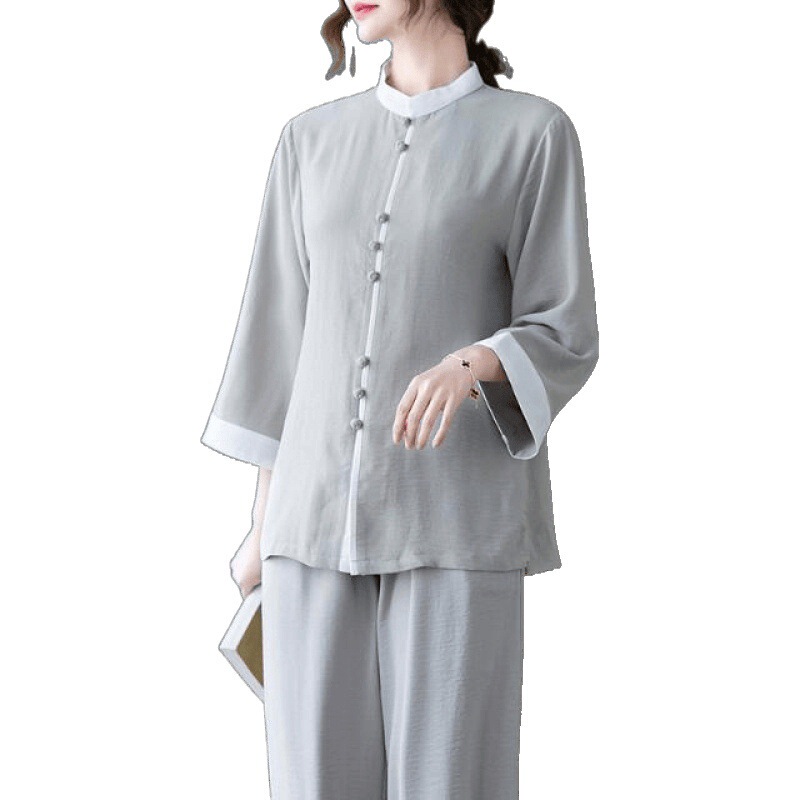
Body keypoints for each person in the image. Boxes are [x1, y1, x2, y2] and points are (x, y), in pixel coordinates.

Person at [201, 0, 600, 797]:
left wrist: (476, 362)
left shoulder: (532, 135)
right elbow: (276, 349)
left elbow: (564, 326)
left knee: (451, 783)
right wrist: (262, 524)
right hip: (308, 531)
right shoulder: (307, 142)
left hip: (456, 523)